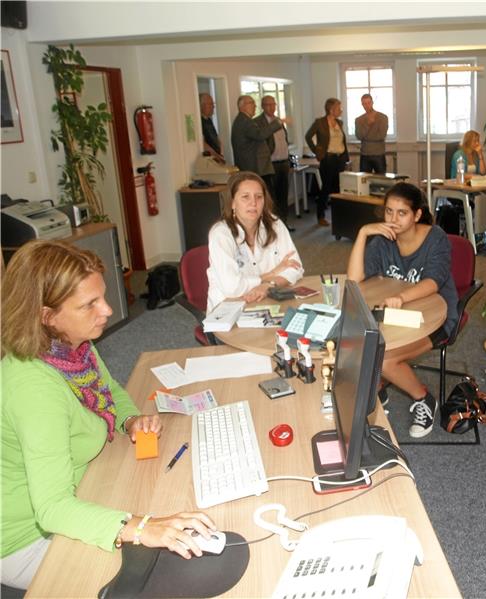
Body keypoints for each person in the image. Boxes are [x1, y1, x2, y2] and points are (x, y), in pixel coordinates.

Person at [0, 240, 217, 591]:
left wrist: (129, 419)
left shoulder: (72, 347)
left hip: (82, 485)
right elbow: (52, 509)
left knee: (169, 503)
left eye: (101, 297)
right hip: (28, 538)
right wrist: (143, 527)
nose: (107, 310)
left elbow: (111, 390)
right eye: (90, 304)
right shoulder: (34, 388)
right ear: (47, 317)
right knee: (162, 572)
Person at [346, 182, 458, 438]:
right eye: (388, 212)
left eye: (402, 213)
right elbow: (354, 279)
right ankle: (379, 386)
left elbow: (433, 282)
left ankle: (423, 398)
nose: (393, 219)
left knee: (383, 357)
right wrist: (364, 232)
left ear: (417, 214)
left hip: (436, 318)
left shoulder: (435, 237)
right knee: (360, 341)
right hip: (395, 317)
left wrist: (401, 295)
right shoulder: (383, 240)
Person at [207, 171, 304, 312]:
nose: (253, 203)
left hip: (268, 306)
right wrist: (271, 275)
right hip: (228, 313)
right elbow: (233, 288)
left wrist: (268, 285)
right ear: (233, 203)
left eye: (259, 197)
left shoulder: (275, 225)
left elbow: (296, 268)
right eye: (245, 197)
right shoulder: (221, 234)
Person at [305, 97, 349, 227]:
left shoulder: (340, 123)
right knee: (326, 188)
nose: (341, 110)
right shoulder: (319, 122)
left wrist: (345, 157)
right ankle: (321, 216)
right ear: (331, 109)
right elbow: (308, 137)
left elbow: (341, 141)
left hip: (340, 158)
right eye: (339, 108)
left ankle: (339, 216)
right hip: (328, 159)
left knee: (339, 189)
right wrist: (317, 151)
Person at [231, 95, 286, 191]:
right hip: (253, 168)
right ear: (242, 106)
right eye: (251, 103)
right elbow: (260, 135)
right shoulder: (245, 121)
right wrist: (278, 123)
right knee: (266, 196)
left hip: (255, 167)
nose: (255, 106)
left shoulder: (244, 120)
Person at [255, 95, 293, 231]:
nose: (272, 107)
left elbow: (284, 139)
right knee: (272, 198)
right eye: (268, 104)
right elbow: (261, 138)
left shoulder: (278, 120)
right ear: (263, 106)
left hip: (284, 163)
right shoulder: (258, 122)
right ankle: (273, 227)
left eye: (274, 104)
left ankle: (284, 224)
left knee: (283, 196)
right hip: (271, 164)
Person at [354, 93, 389, 174]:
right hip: (365, 154)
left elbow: (381, 135)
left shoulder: (383, 117)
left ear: (372, 103)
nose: (366, 105)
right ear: (362, 104)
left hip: (379, 154)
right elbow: (359, 136)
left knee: (381, 180)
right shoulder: (359, 120)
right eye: (364, 103)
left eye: (368, 103)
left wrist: (366, 138)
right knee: (364, 181)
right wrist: (368, 125)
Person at [199, 93, 224, 163]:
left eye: (213, 104)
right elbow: (202, 142)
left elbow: (216, 138)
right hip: (209, 160)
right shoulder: (199, 122)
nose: (213, 107)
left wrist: (221, 153)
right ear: (201, 106)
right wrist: (216, 155)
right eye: (210, 104)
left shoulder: (209, 120)